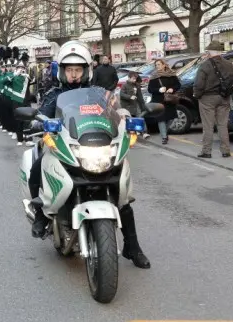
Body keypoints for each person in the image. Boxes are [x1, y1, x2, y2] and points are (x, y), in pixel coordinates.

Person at [28, 41, 150, 269]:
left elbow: (114, 109)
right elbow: (42, 115)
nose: (74, 75)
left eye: (78, 70)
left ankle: (133, 247)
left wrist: (124, 117)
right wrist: (38, 121)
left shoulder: (97, 94)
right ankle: (41, 213)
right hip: (62, 145)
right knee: (39, 166)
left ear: (87, 71)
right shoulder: (55, 94)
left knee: (121, 194)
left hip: (94, 146)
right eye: (69, 70)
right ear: (62, 72)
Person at [193, 41, 233, 158]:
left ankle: (206, 151)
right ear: (220, 52)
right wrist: (228, 93)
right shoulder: (229, 64)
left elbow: (199, 84)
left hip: (207, 98)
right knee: (222, 125)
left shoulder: (205, 65)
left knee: (208, 125)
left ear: (210, 52)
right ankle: (226, 151)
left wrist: (197, 95)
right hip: (224, 97)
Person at [147, 59, 181, 145]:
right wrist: (158, 89)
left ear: (164, 65)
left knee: (171, 118)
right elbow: (150, 89)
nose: (157, 66)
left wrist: (172, 89)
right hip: (158, 100)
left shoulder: (171, 75)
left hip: (170, 100)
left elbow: (178, 85)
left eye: (159, 64)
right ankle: (164, 137)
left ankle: (164, 132)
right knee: (161, 119)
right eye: (156, 65)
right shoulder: (154, 76)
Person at [120, 71, 149, 139]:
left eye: (135, 78)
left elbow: (140, 96)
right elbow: (121, 94)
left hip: (135, 104)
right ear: (129, 78)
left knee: (140, 117)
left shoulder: (136, 85)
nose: (134, 80)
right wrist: (130, 97)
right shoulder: (125, 85)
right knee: (129, 119)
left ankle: (144, 132)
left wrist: (143, 105)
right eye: (133, 78)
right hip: (127, 105)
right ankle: (131, 134)